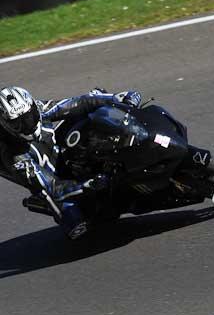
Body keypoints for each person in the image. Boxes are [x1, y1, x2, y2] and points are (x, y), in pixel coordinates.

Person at [0, 86, 140, 239]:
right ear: (5, 125)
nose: (28, 124)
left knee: (95, 101)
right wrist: (86, 185)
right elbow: (51, 188)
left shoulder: (39, 109)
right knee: (76, 224)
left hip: (62, 153)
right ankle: (70, 216)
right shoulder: (15, 158)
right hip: (58, 183)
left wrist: (117, 98)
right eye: (18, 123)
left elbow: (77, 103)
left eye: (29, 116)